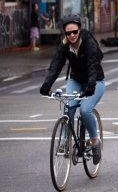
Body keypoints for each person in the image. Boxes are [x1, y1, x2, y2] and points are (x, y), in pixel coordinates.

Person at [39, 14, 105, 164]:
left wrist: (91, 85)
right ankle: (64, 141)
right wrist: (46, 85)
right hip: (75, 80)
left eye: (75, 32)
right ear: (65, 34)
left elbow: (93, 65)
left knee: (85, 110)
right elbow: (56, 65)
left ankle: (95, 142)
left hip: (95, 82)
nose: (72, 35)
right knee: (68, 108)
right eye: (68, 33)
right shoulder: (64, 45)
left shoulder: (88, 41)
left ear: (79, 30)